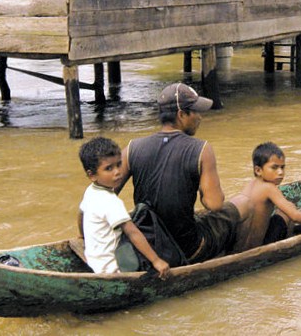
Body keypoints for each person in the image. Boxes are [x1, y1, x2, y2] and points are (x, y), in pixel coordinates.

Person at [113, 82, 240, 264]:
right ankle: (236, 263)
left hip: (147, 246)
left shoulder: (132, 148)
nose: (200, 117)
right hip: (188, 247)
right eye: (195, 111)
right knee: (240, 208)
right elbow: (214, 204)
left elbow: (103, 195)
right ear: (181, 115)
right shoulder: (202, 149)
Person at [77, 137, 170, 278]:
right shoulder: (111, 201)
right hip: (111, 269)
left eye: (119, 165)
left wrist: (82, 235)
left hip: (94, 261)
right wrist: (156, 261)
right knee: (150, 231)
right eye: (109, 168)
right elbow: (133, 233)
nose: (117, 172)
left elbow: (81, 214)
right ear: (92, 175)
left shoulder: (91, 191)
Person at [229, 142, 301, 253]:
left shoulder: (250, 185)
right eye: (274, 168)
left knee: (284, 209)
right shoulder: (269, 188)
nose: (280, 172)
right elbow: (295, 216)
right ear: (258, 170)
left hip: (239, 249)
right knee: (288, 209)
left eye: (282, 167)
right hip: (257, 246)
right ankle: (287, 249)